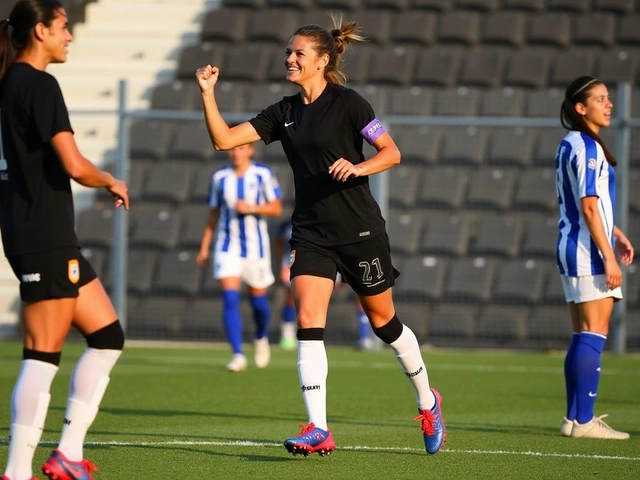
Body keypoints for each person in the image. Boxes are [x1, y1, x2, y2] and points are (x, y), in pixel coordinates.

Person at [195, 14, 446, 455]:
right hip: (310, 234)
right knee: (309, 321)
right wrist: (208, 94)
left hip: (359, 229)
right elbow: (223, 141)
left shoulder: (350, 104)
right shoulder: (283, 112)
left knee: (384, 322)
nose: (290, 58)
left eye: (298, 53)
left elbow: (391, 153)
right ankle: (319, 427)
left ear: (322, 60)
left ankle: (428, 400)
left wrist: (358, 166)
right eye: (288, 52)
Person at [0, 1, 129, 480]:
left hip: (42, 232)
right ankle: (16, 471)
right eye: (63, 27)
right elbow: (74, 165)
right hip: (42, 234)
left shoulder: (11, 83)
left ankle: (67, 453)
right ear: (40, 31)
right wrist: (111, 180)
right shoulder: (36, 83)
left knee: (108, 336)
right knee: (42, 353)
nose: (69, 35)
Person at [555, 76, 634, 440]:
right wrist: (609, 257)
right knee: (594, 334)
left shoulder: (571, 143)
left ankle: (574, 419)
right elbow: (589, 206)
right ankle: (584, 421)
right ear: (580, 108)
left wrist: (615, 234)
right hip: (587, 251)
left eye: (608, 98)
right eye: (601, 99)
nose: (609, 104)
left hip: (573, 245)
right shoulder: (586, 146)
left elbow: (587, 202)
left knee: (581, 334)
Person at [196, 142, 282, 372]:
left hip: (256, 249)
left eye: (242, 148)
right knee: (230, 298)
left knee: (259, 304)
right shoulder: (219, 178)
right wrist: (205, 247)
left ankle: (261, 336)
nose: (236, 152)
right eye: (233, 148)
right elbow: (213, 213)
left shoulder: (262, 174)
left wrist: (252, 207)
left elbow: (276, 207)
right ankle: (237, 354)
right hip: (227, 246)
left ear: (251, 150)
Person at [274, 216, 374, 351]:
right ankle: (288, 335)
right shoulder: (289, 224)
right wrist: (283, 262)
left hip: (336, 260)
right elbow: (279, 242)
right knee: (293, 298)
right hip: (301, 262)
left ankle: (364, 337)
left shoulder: (339, 218)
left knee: (361, 291)